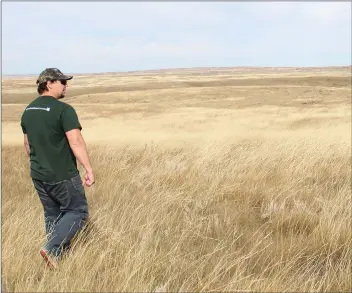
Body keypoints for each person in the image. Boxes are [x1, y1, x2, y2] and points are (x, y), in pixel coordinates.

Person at [20, 68, 95, 269]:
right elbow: (76, 141)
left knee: (52, 214)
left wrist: (40, 163)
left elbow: (28, 145)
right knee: (77, 211)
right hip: (62, 173)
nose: (66, 86)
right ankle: (52, 249)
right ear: (49, 83)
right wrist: (88, 169)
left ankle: (56, 258)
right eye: (62, 82)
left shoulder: (28, 110)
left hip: (39, 175)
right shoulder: (64, 110)